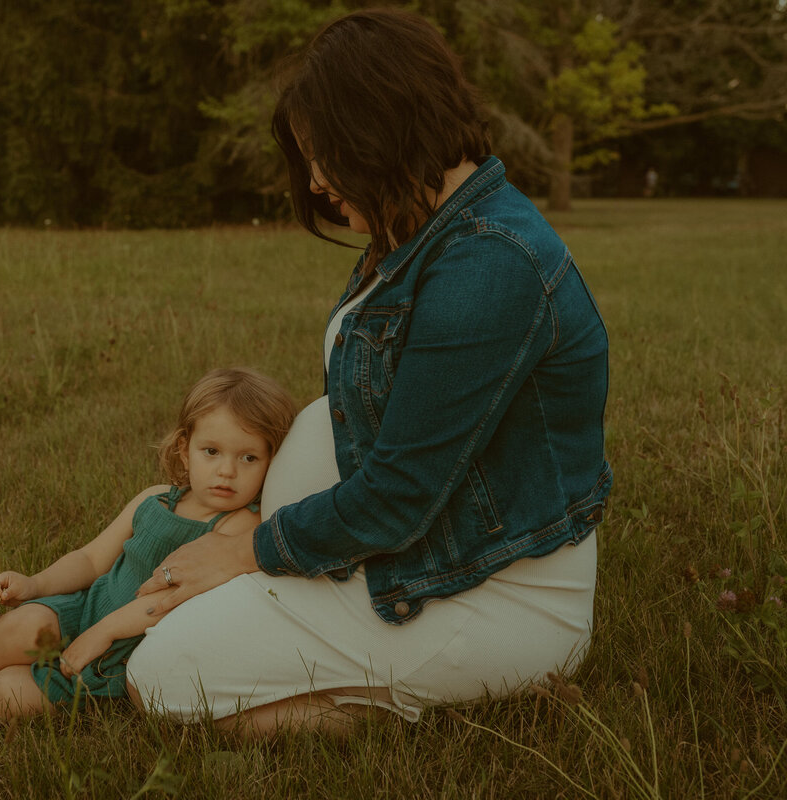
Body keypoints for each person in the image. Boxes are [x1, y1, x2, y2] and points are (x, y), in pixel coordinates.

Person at [125, 7, 611, 736]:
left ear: (382, 129)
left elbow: (400, 498)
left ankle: (390, 707)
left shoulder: (489, 265)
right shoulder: (422, 230)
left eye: (326, 154)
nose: (317, 181)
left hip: (495, 588)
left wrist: (247, 552)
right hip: (438, 543)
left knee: (159, 679)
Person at [0, 367, 295, 718]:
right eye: (212, 451)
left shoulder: (237, 527)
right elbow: (92, 558)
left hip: (126, 651)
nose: (226, 472)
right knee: (26, 622)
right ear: (185, 450)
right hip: (87, 609)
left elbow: (168, 599)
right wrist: (35, 584)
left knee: (1, 697)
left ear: (271, 463)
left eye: (248, 458)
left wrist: (103, 635)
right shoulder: (154, 500)